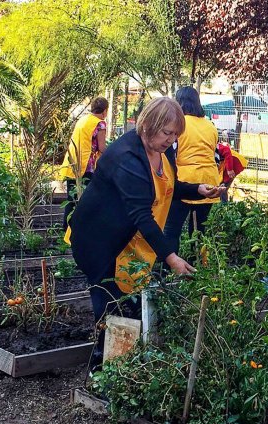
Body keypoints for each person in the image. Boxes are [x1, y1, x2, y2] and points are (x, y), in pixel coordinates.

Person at [67, 97, 223, 368]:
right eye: (167, 132)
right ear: (149, 124)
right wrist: (171, 257)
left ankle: (122, 362)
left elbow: (168, 186)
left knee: (129, 302)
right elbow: (141, 214)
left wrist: (196, 189)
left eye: (175, 134)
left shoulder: (163, 152)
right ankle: (101, 369)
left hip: (129, 240)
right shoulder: (126, 156)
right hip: (100, 241)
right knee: (110, 304)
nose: (171, 139)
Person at [164, 87, 220, 253]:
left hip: (184, 182)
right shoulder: (210, 125)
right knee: (199, 231)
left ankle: (167, 270)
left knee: (171, 230)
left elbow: (171, 153)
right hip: (209, 182)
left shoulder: (179, 125)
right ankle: (197, 271)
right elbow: (216, 156)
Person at [60, 97, 109, 230]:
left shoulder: (83, 120)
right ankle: (82, 228)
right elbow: (102, 148)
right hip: (87, 165)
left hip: (73, 162)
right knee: (87, 197)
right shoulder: (100, 124)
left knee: (72, 197)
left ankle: (66, 228)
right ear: (105, 111)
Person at [215, 130, 248, 202]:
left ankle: (224, 206)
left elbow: (227, 151)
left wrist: (230, 169)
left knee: (222, 186)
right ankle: (223, 205)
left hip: (234, 163)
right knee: (221, 185)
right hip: (227, 165)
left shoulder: (216, 147)